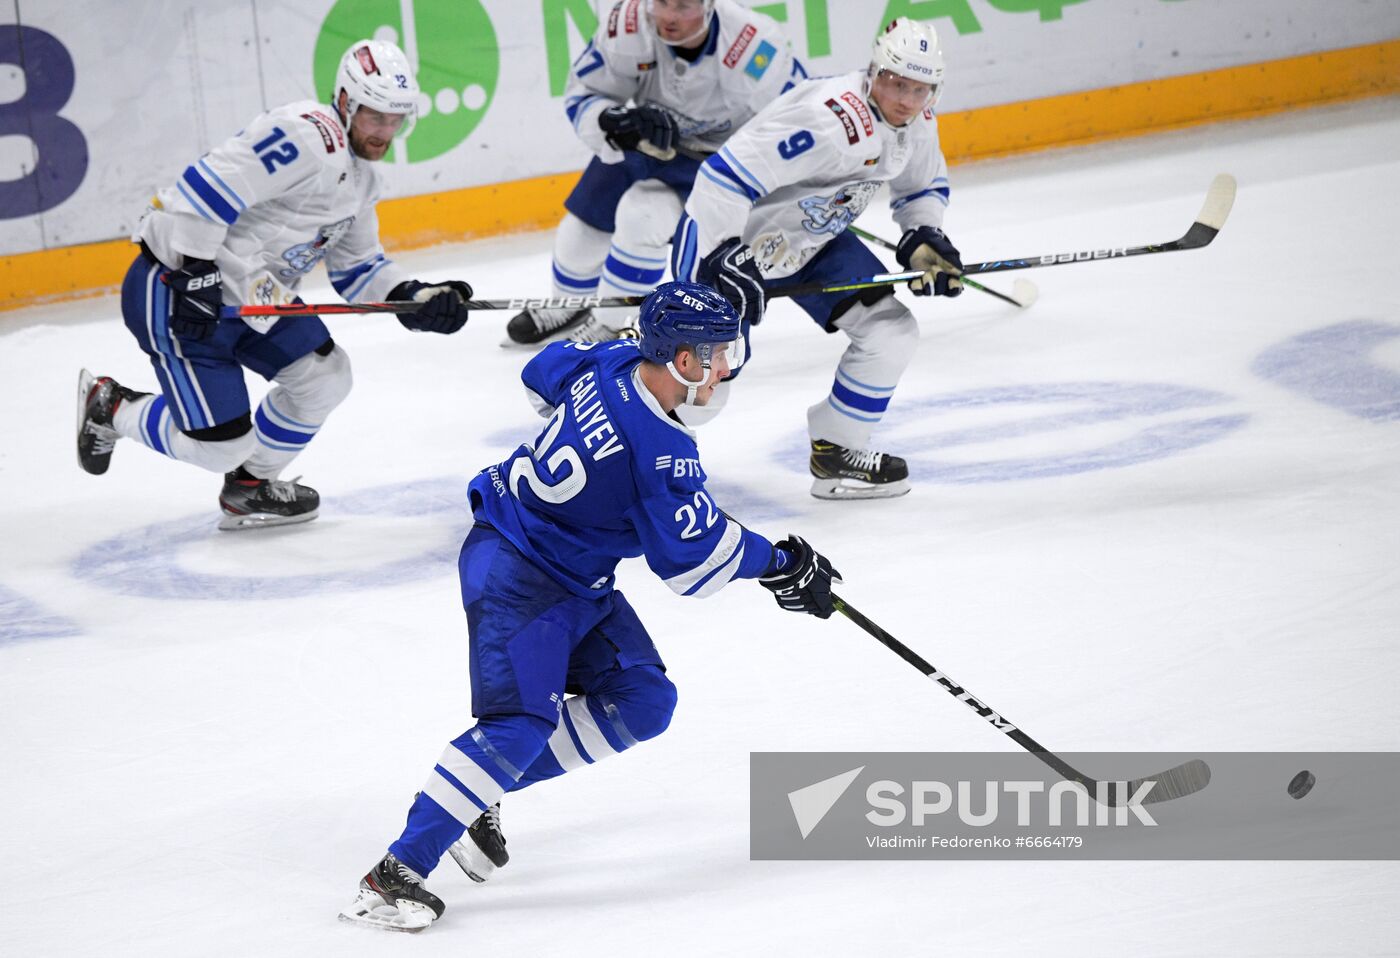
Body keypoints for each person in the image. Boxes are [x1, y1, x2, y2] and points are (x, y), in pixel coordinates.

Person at [339, 282, 842, 933]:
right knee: (518, 726)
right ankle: (391, 878)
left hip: (573, 576)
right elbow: (693, 564)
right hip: (518, 573)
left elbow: (540, 372)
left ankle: (476, 792)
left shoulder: (615, 359)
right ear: (683, 361)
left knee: (643, 700)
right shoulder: (660, 454)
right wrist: (780, 564)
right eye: (717, 355)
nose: (726, 368)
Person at [76, 39, 472, 530]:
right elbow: (206, 183)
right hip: (176, 291)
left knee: (326, 377)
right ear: (345, 101)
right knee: (219, 449)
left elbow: (358, 268)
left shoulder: (362, 180)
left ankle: (250, 486)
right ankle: (112, 407)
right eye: (376, 117)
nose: (385, 132)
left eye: (396, 119)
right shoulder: (308, 134)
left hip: (253, 298)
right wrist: (195, 269)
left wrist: (414, 297)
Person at [673, 17, 964, 500]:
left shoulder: (919, 122)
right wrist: (723, 249)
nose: (906, 100)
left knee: (890, 332)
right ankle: (628, 459)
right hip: (727, 244)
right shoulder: (830, 121)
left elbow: (920, 187)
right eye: (896, 83)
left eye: (920, 90)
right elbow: (721, 178)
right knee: (703, 377)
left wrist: (923, 234)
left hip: (810, 240)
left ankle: (837, 450)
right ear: (874, 72)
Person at [504, 0, 802, 347]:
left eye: (683, 6)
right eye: (662, 2)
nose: (669, 17)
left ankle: (614, 323)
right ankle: (568, 304)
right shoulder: (628, 24)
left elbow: (793, 121)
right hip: (648, 143)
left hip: (718, 162)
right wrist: (613, 118)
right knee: (582, 225)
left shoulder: (753, 44)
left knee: (642, 217)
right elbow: (585, 94)